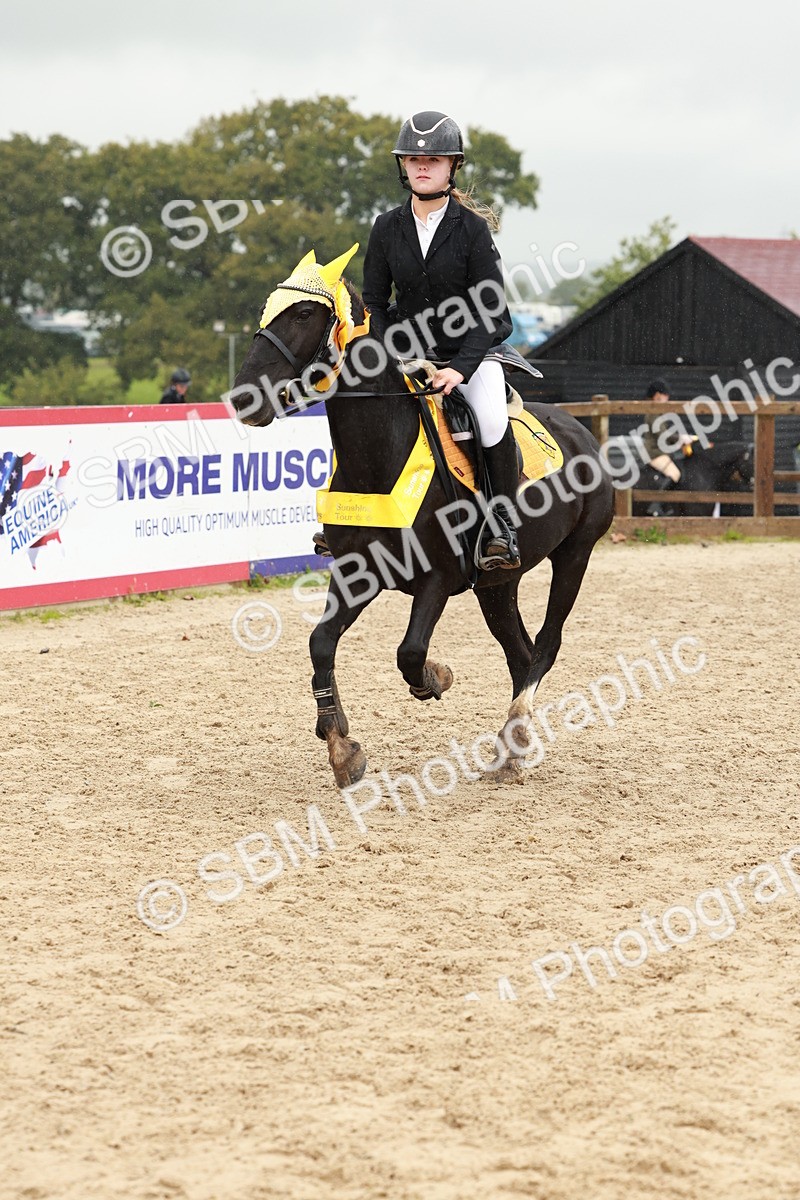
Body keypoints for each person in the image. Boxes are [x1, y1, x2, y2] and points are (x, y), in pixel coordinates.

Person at [362, 111, 519, 570]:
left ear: (453, 166)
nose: (422, 166)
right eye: (414, 159)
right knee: (364, 408)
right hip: (410, 355)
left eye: (433, 159)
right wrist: (394, 352)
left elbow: (489, 310)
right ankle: (348, 520)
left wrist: (460, 370)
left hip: (471, 353)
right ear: (403, 166)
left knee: (491, 420)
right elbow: (375, 301)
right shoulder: (386, 227)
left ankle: (502, 527)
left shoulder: (471, 229)